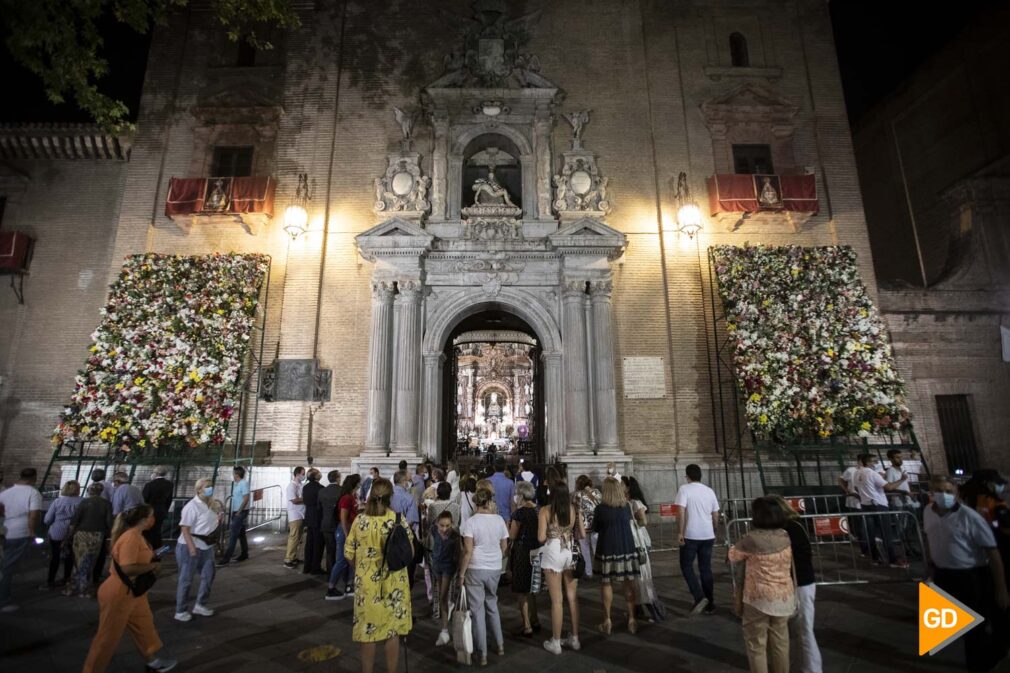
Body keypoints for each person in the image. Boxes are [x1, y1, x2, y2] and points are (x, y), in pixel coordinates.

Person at [923, 474, 1009, 673]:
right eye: (938, 491)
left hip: (971, 576)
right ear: (931, 493)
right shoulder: (928, 511)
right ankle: (993, 650)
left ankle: (980, 664)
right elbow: (932, 539)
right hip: (944, 576)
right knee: (956, 625)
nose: (943, 495)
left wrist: (1001, 588)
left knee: (974, 628)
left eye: (948, 491)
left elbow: (992, 553)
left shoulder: (970, 517)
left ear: (957, 493)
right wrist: (931, 567)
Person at [81, 504, 177, 673]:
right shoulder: (131, 537)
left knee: (144, 626)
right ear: (143, 520)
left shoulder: (138, 536)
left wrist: (153, 556)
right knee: (107, 637)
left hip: (133, 592)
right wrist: (152, 567)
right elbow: (127, 568)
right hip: (120, 592)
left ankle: (153, 662)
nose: (154, 519)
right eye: (151, 516)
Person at [345, 477, 413, 673]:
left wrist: (363, 568)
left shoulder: (360, 521)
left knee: (368, 632)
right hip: (395, 583)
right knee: (392, 632)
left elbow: (349, 554)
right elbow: (410, 553)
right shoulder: (397, 521)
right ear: (390, 498)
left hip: (367, 585)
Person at [728, 496, 796, 673]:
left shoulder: (751, 539)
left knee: (756, 645)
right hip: (783, 597)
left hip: (758, 599)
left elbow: (733, 556)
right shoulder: (785, 536)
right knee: (781, 643)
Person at [769, 495, 822, 673]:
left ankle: (811, 669)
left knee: (804, 630)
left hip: (799, 583)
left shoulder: (788, 530)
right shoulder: (795, 526)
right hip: (800, 581)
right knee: (798, 630)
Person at [459, 488, 510, 666]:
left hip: (475, 567)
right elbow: (504, 547)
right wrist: (496, 557)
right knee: (492, 604)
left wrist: (461, 573)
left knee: (477, 611)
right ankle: (500, 644)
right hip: (494, 567)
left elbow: (467, 551)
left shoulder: (470, 523)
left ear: (475, 502)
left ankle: (483, 653)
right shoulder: (499, 520)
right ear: (489, 502)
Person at [538, 479, 584, 654]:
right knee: (572, 597)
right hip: (569, 551)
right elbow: (579, 533)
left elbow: (541, 537)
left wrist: (551, 531)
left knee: (557, 600)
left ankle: (556, 642)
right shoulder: (573, 510)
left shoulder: (545, 511)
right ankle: (575, 638)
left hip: (553, 552)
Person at [592, 477, 640, 635]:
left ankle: (607, 620)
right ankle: (632, 619)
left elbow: (596, 528)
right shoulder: (626, 506)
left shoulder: (600, 509)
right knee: (629, 582)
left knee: (606, 583)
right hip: (626, 547)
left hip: (607, 548)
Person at [174, 477, 222, 622]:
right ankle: (180, 610)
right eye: (207, 487)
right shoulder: (191, 506)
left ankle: (200, 604)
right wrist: (191, 547)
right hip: (191, 545)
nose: (210, 489)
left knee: (208, 575)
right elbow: (185, 528)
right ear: (199, 489)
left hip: (206, 545)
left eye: (211, 486)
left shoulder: (211, 504)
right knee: (186, 579)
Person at [675, 464, 720, 615]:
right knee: (705, 568)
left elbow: (681, 512)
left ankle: (699, 597)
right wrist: (714, 529)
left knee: (686, 566)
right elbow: (715, 514)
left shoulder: (684, 489)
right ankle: (710, 603)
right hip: (707, 535)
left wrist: (680, 532)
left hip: (690, 535)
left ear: (687, 476)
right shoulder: (709, 491)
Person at [852, 452, 907, 566]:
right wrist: (902, 479)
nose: (876, 463)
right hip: (879, 504)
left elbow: (857, 488)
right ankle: (892, 559)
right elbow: (889, 487)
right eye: (874, 461)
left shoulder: (857, 473)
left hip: (865, 505)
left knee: (871, 533)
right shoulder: (872, 473)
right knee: (886, 533)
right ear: (868, 462)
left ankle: (875, 558)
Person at [0, 467, 43, 611]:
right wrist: (32, 532)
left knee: (5, 564)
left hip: (5, 530)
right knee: (7, 567)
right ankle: (3, 600)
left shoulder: (6, 492)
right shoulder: (33, 493)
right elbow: (33, 515)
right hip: (20, 532)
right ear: (34, 478)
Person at [624, 476, 664, 622]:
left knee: (642, 577)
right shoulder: (627, 503)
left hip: (638, 544)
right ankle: (636, 610)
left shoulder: (635, 503)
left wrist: (631, 521)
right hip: (632, 543)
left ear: (628, 487)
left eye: (622, 485)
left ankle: (655, 612)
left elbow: (643, 521)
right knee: (634, 578)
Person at [509, 480, 542, 637]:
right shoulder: (539, 510)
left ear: (521, 495)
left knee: (522, 589)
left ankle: (527, 625)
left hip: (522, 552)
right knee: (533, 587)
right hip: (537, 550)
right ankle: (535, 618)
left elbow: (512, 535)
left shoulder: (519, 513)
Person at [69, 482, 113, 598]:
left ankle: (75, 586)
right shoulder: (106, 504)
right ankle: (85, 588)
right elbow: (109, 522)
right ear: (101, 491)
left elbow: (74, 521)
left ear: (89, 491)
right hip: (97, 535)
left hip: (81, 534)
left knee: (78, 560)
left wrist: (69, 536)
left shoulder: (84, 502)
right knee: (90, 561)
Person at [325, 473, 361, 600]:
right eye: (359, 482)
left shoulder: (352, 496)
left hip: (351, 529)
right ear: (355, 484)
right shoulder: (346, 498)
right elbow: (343, 518)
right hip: (345, 530)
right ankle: (331, 588)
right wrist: (347, 535)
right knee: (341, 560)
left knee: (351, 558)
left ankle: (349, 585)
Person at [43, 480, 82, 589]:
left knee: (55, 557)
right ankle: (66, 579)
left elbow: (47, 520)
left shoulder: (58, 502)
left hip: (57, 532)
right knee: (70, 557)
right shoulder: (82, 501)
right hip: (74, 533)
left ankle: (50, 581)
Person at [431, 510, 460, 647]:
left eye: (447, 525)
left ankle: (444, 631)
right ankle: (444, 631)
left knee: (442, 597)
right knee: (442, 597)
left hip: (448, 568)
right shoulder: (434, 530)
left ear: (452, 524)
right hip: (437, 566)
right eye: (442, 525)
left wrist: (460, 572)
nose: (444, 529)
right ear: (437, 523)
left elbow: (458, 554)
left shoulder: (455, 536)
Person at [218, 466, 251, 566]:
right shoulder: (237, 484)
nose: (232, 475)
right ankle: (244, 553)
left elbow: (246, 498)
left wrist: (239, 512)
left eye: (233, 473)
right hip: (237, 511)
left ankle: (226, 558)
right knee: (241, 534)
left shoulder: (243, 483)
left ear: (237, 474)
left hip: (240, 512)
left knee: (233, 535)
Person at [573, 475, 601, 578]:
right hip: (596, 524)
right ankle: (600, 570)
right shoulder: (597, 492)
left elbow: (575, 511)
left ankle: (588, 572)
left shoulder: (577, 495)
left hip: (582, 526)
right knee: (597, 548)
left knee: (585, 549)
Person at [142, 466, 174, 549]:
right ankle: (157, 551)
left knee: (147, 532)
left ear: (155, 473)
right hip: (161, 512)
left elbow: (144, 499)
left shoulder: (149, 485)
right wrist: (165, 510)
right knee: (157, 532)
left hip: (149, 512)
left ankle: (147, 550)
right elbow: (169, 500)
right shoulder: (169, 484)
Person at [302, 468, 325, 575]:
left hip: (309, 517)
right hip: (318, 517)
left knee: (309, 543)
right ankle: (315, 567)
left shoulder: (305, 487)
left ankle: (307, 566)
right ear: (316, 476)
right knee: (318, 544)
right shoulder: (320, 488)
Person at [319, 470, 342, 572]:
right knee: (340, 550)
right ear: (337, 478)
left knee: (329, 550)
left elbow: (319, 508)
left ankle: (330, 572)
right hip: (338, 524)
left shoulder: (322, 491)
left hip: (325, 523)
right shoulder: (342, 491)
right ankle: (338, 572)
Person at [284, 466, 306, 569]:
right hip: (295, 514)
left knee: (299, 538)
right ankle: (288, 559)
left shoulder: (300, 485)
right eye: (302, 473)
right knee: (294, 537)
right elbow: (294, 500)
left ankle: (294, 557)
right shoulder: (291, 486)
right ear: (297, 474)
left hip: (301, 513)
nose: (304, 475)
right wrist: (306, 498)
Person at [489, 457, 516, 523]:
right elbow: (512, 502)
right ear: (505, 467)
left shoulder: (487, 481)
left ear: (494, 467)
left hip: (490, 516)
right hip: (506, 517)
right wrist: (513, 518)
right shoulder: (510, 483)